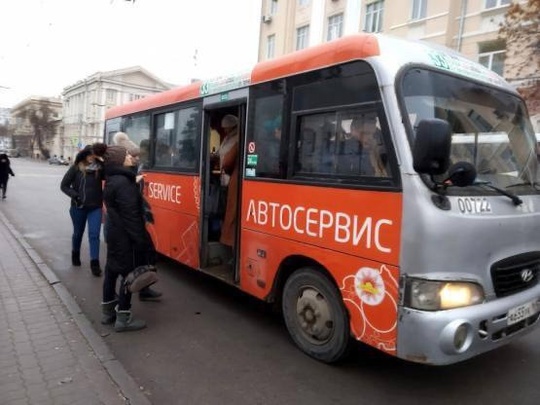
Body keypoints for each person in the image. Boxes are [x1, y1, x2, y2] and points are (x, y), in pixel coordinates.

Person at [97, 144, 153, 332]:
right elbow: (132, 217)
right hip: (124, 237)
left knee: (111, 271)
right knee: (129, 276)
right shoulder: (124, 183)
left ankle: (108, 312)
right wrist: (141, 241)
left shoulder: (113, 178)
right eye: (127, 154)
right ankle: (123, 318)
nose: (130, 157)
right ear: (120, 159)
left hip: (114, 233)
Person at [112, 132, 162, 302]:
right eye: (132, 156)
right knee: (127, 268)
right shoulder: (122, 181)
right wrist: (139, 237)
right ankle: (122, 312)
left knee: (142, 260)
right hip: (127, 231)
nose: (136, 159)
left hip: (128, 229)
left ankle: (142, 290)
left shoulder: (124, 177)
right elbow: (129, 211)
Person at [60, 144, 105, 276]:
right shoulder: (76, 168)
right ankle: (75, 253)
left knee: (94, 235)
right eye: (89, 154)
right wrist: (75, 196)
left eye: (93, 155)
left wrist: (102, 159)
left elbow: (111, 174)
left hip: (95, 207)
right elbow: (64, 186)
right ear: (84, 155)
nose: (91, 157)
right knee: (78, 233)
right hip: (78, 207)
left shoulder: (100, 168)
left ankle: (95, 263)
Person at [219, 114, 239, 251]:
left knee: (229, 211)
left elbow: (227, 161)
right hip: (225, 177)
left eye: (227, 128)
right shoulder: (228, 138)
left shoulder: (237, 139)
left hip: (230, 178)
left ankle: (229, 245)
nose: (225, 131)